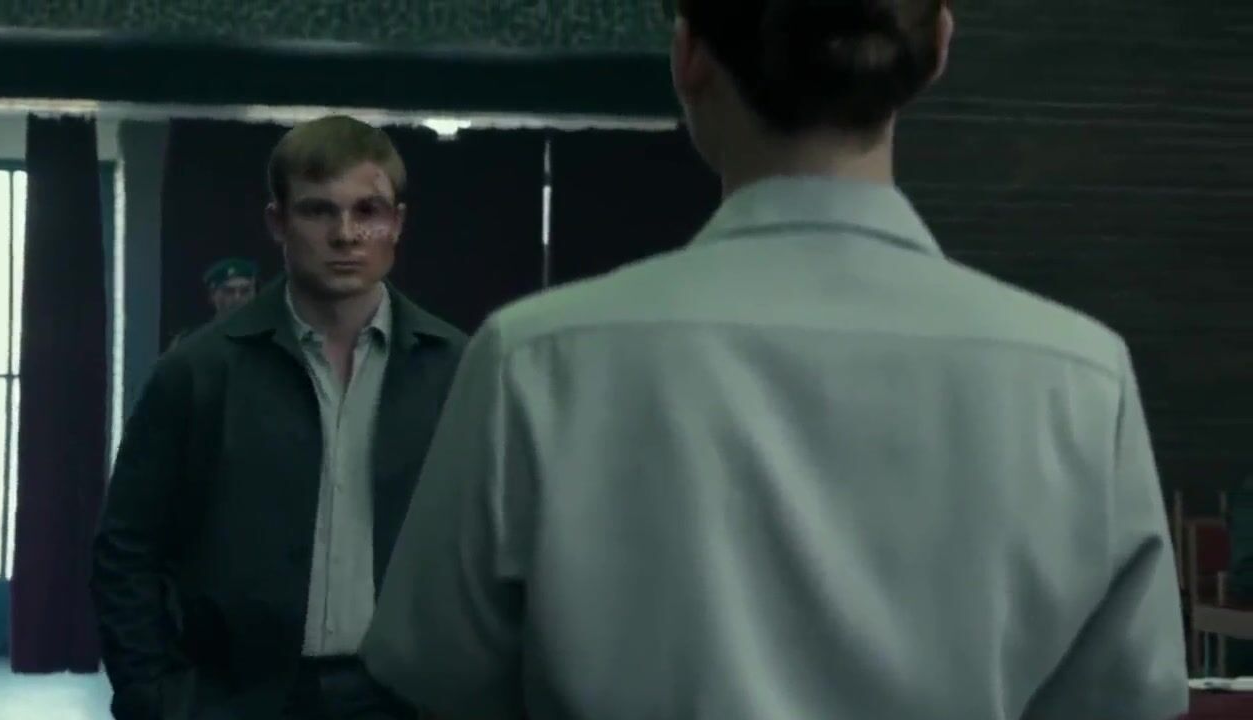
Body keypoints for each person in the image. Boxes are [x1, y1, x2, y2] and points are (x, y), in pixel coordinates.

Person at [359, 1, 1189, 718]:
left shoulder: (534, 362)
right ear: (937, 46)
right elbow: (1127, 700)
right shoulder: (1083, 380)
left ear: (688, 55)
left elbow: (442, 680)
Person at [93, 115, 466, 720]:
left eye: (368, 210)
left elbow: (494, 548)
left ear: (396, 223)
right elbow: (126, 550)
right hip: (235, 700)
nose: (346, 234)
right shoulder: (199, 371)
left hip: (406, 699)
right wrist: (153, 699)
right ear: (278, 222)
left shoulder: (455, 369)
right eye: (319, 211)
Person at [168, 258, 259, 349]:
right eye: (229, 291)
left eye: (245, 291)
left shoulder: (264, 337)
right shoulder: (190, 339)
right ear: (212, 295)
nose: (237, 298)